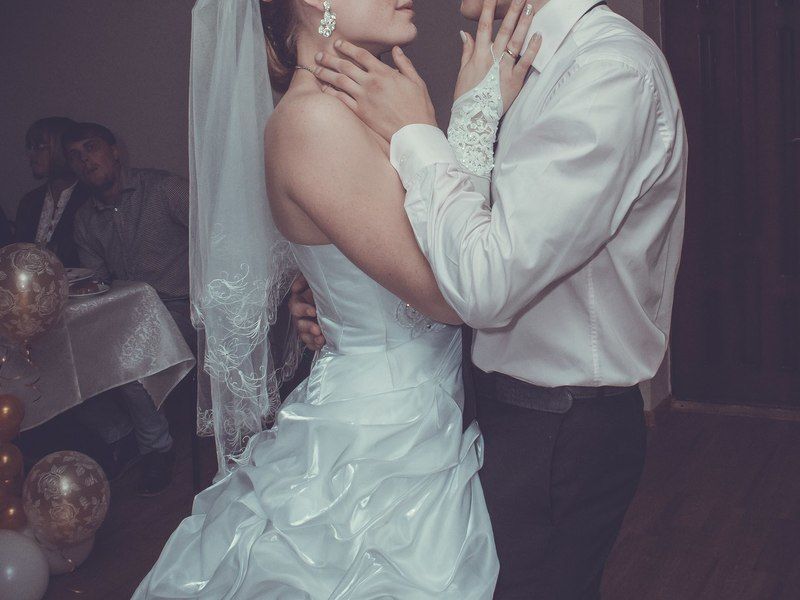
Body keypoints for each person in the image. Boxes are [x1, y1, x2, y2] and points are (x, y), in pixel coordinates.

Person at [305, 0, 688, 597]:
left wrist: (416, 133)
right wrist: (347, 293)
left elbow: (486, 283)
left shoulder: (608, 72)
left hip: (558, 427)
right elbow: (464, 234)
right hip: (490, 406)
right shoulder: (526, 60)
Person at [133, 0, 511, 597]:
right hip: (377, 442)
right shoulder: (312, 121)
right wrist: (472, 119)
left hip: (416, 415)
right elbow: (452, 295)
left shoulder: (359, 107)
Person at [65, 121, 194, 496]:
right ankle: (122, 434)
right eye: (74, 155)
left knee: (128, 359)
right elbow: (97, 283)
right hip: (126, 314)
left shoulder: (164, 189)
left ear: (115, 151)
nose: (85, 160)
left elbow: (215, 232)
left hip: (182, 308)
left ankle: (157, 450)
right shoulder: (85, 220)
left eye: (91, 148)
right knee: (71, 361)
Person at [14, 117, 91, 265]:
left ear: (62, 149)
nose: (31, 154)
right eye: (30, 147)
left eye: (40, 146)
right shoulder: (29, 202)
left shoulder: (90, 197)